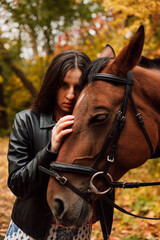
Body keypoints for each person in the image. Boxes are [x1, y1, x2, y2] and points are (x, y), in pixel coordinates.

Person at [5, 50, 92, 240]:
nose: (71, 95)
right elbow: (18, 185)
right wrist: (50, 149)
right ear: (52, 85)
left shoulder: (95, 127)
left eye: (78, 87)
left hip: (79, 233)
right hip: (32, 232)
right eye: (63, 85)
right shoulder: (26, 121)